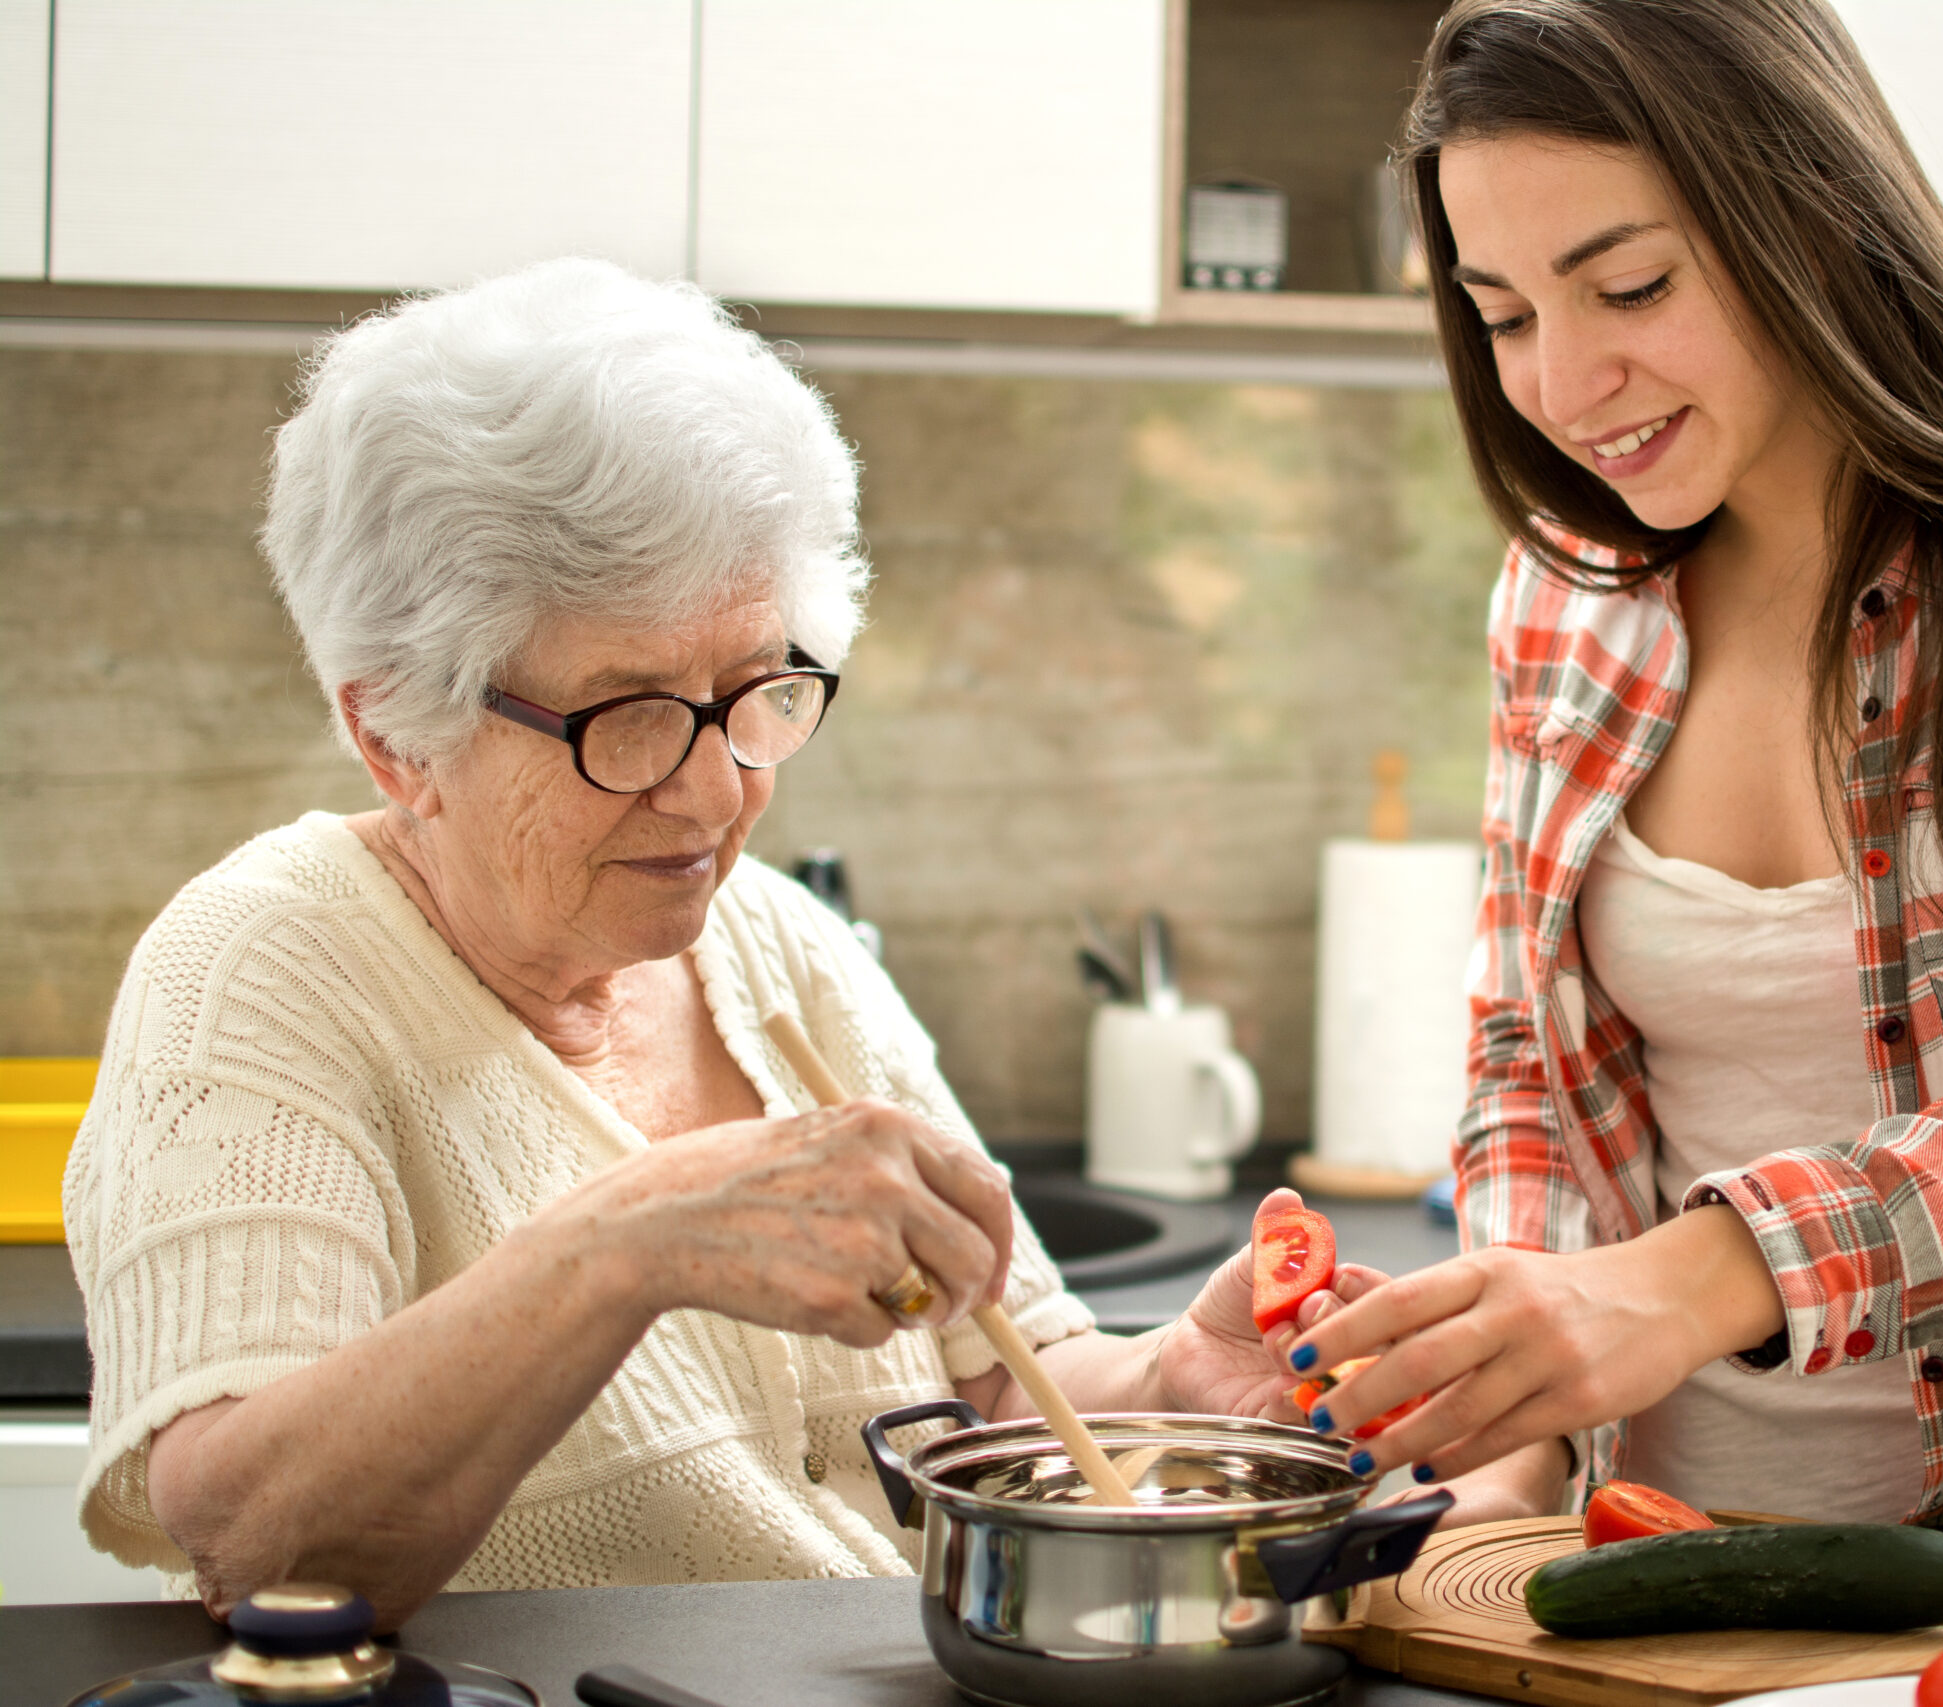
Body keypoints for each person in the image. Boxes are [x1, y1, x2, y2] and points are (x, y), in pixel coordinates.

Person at [62, 258, 1350, 1627]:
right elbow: (254, 1546)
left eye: (755, 690)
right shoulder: (264, 970)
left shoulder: (777, 942)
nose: (714, 788)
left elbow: (1003, 1382)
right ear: (395, 733)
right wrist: (624, 1243)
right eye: (625, 717)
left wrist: (1168, 1391)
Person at [1282, 0, 1943, 1604]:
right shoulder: (1567, 601)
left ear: (1809, 211)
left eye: (1628, 285)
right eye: (1501, 314)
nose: (1565, 380)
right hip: (1657, 1570)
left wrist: (1703, 1276)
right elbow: (1529, 1051)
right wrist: (1508, 1425)